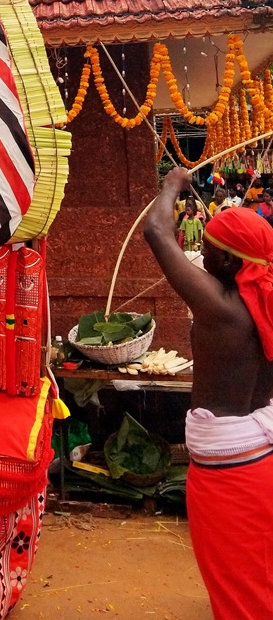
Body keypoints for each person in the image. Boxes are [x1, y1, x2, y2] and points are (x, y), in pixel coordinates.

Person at [144, 167, 273, 620]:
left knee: (243, 595)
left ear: (230, 263)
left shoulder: (223, 309)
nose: (202, 257)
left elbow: (156, 231)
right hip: (260, 463)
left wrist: (172, 184)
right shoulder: (262, 298)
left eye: (210, 251)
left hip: (231, 477)